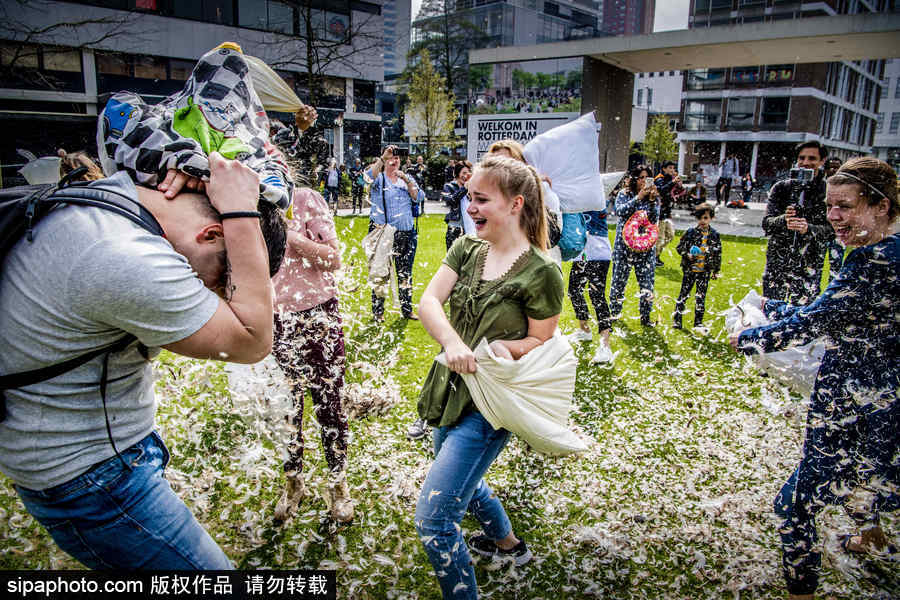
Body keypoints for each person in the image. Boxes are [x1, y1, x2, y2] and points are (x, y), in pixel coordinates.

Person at [0, 153, 287, 569]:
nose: (209, 298)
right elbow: (252, 340)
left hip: (81, 464)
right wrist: (242, 214)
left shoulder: (113, 197)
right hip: (91, 480)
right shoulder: (122, 254)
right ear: (210, 234)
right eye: (215, 285)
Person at [729, 156, 899, 600]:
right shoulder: (890, 252)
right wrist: (778, 309)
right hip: (886, 404)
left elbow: (814, 322)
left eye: (844, 206)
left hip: (855, 405)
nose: (833, 217)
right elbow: (840, 311)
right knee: (870, 477)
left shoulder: (873, 260)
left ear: (880, 206)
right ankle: (872, 536)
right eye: (829, 206)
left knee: (793, 506)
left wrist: (750, 338)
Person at [414, 155, 563, 600]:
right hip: (448, 389)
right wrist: (453, 343)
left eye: (481, 199)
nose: (470, 205)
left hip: (489, 407)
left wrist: (510, 348)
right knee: (466, 479)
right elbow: (429, 302)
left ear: (516, 204)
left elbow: (545, 344)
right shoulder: (466, 248)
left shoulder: (543, 272)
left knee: (435, 520)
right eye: (469, 197)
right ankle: (507, 543)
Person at [271, 187, 353, 524]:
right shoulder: (244, 203)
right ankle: (294, 483)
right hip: (274, 317)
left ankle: (338, 486)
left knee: (329, 403)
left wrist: (291, 238)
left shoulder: (304, 199)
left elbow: (334, 258)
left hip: (318, 313)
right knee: (285, 407)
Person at [761, 141, 833, 305]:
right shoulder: (781, 188)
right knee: (771, 310)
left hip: (809, 261)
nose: (806, 163)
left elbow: (832, 230)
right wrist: (783, 219)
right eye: (802, 158)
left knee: (801, 316)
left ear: (822, 161)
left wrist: (809, 229)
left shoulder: (828, 191)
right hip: (778, 260)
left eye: (812, 158)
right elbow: (766, 223)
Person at [366, 145, 425, 322]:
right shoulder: (379, 179)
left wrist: (406, 180)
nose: (395, 160)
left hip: (406, 232)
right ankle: (378, 311)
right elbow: (367, 178)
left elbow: (418, 197)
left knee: (405, 272)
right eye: (392, 157)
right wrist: (383, 158)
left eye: (397, 157)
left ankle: (407, 309)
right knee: (380, 272)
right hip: (383, 233)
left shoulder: (406, 179)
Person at [608, 164, 660, 327]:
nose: (644, 181)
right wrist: (638, 197)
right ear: (635, 179)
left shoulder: (654, 197)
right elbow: (619, 211)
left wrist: (651, 201)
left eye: (647, 177)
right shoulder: (625, 194)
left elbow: (653, 219)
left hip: (645, 248)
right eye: (641, 177)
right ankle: (614, 313)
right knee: (618, 281)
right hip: (624, 246)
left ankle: (645, 317)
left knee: (647, 283)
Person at [566, 209, 614, 364]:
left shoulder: (596, 195)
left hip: (598, 250)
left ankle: (605, 347)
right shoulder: (575, 197)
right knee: (574, 290)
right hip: (582, 251)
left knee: (596, 295)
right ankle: (584, 330)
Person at [673, 203, 721, 332]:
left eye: (705, 218)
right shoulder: (690, 232)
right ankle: (677, 320)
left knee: (701, 297)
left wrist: (716, 270)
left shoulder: (714, 235)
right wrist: (687, 254)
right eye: (700, 218)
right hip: (690, 270)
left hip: (704, 271)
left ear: (711, 218)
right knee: (684, 295)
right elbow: (679, 247)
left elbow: (717, 253)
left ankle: (698, 322)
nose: (703, 221)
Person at [653, 161, 679, 268]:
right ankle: (654, 258)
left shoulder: (668, 178)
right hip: (659, 214)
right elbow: (661, 191)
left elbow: (668, 195)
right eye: (670, 167)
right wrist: (673, 182)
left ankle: (655, 254)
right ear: (664, 169)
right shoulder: (659, 178)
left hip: (665, 213)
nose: (672, 169)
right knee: (659, 238)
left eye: (673, 167)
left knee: (670, 236)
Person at [442, 160, 472, 250]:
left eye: (469, 173)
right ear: (458, 173)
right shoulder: (449, 187)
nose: (466, 176)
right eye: (464, 173)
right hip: (455, 228)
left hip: (471, 228)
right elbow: (451, 200)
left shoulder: (473, 188)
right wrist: (464, 188)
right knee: (454, 260)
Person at [822, 157, 844, 279]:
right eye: (830, 167)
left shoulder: (846, 188)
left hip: (837, 232)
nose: (833, 170)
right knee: (815, 264)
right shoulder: (820, 186)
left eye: (836, 167)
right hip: (821, 230)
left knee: (836, 265)